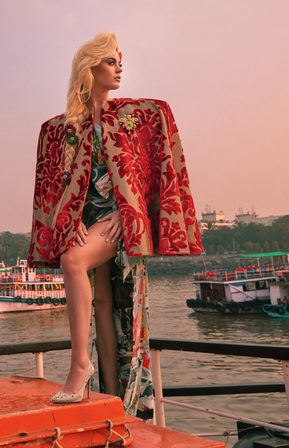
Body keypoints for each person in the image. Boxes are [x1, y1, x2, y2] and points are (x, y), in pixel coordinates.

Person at [28, 32, 202, 416]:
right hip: (83, 221)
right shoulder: (60, 128)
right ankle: (111, 400)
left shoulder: (133, 115)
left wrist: (131, 211)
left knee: (72, 262)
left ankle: (78, 367)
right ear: (89, 68)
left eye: (120, 61)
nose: (119, 68)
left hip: (116, 223)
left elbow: (145, 164)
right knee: (103, 303)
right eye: (111, 61)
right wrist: (67, 220)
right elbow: (51, 186)